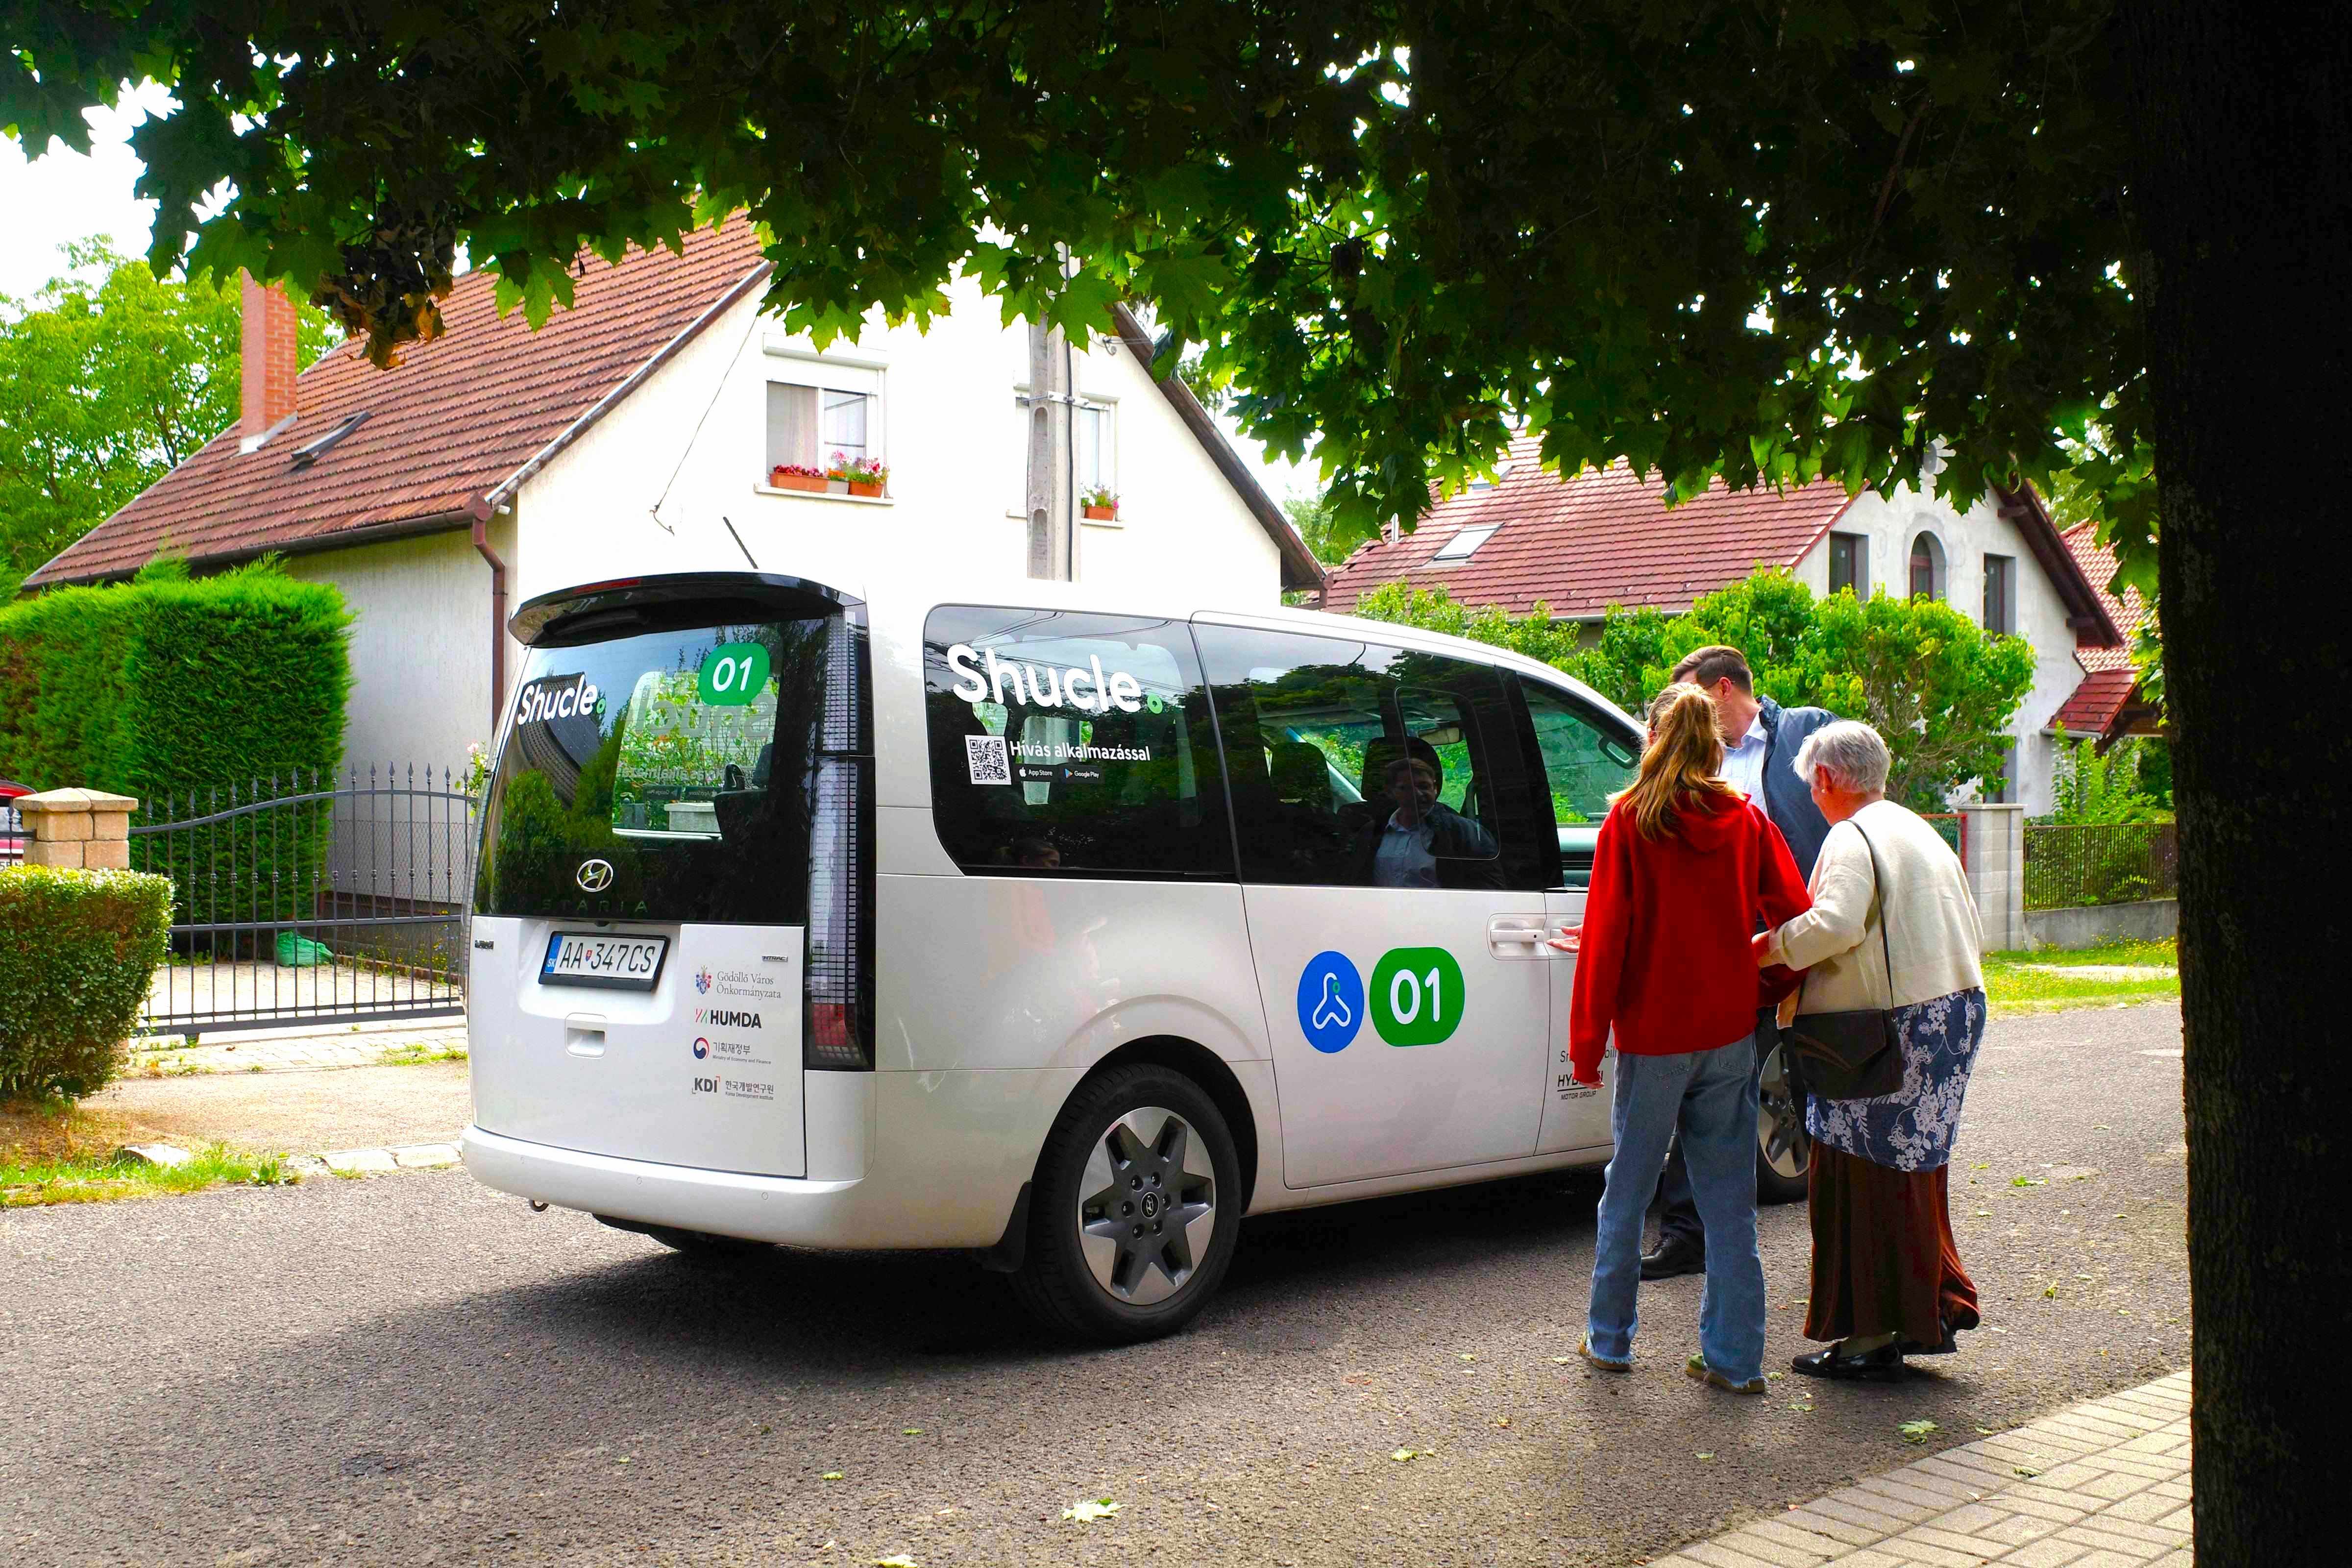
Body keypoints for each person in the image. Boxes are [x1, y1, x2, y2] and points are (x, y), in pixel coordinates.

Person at [1568, 684, 1811, 1393]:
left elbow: (1606, 942)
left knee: (1628, 1190)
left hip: (1654, 1036)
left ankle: (1610, 1339)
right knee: (1729, 1203)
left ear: (1653, 737)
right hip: (1728, 1033)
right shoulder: (1747, 820)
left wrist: (1588, 1044)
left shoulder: (1630, 820)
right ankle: (1735, 1360)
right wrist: (1762, 982)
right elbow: (1795, 918)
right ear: (1717, 746)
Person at [1752, 720, 1986, 1382]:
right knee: (1915, 1169)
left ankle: (1870, 1333)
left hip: (1890, 1026)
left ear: (1827, 778)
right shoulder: (1916, 828)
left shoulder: (1851, 835)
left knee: (1857, 1174)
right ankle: (1927, 1305)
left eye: (1811, 784)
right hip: (1952, 1009)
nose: (1811, 796)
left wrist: (1765, 948)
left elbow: (1835, 922)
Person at [1642, 644, 1837, 1281]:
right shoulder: (1696, 755)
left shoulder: (1807, 731)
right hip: (1730, 949)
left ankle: (1842, 1240)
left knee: (1818, 1086)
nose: (1686, 712)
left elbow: (1855, 800)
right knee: (1708, 1091)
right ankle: (1687, 1234)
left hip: (1805, 936)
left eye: (1694, 698)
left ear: (1724, 689)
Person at [1360, 736, 1499, 889]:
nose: (1417, 794)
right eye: (1406, 788)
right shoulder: (1371, 832)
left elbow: (1490, 892)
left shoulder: (1462, 833)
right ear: (1390, 792)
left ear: (1436, 789)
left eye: (1424, 786)